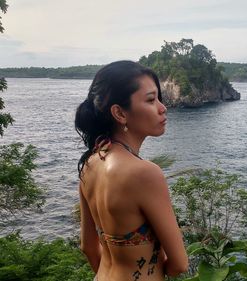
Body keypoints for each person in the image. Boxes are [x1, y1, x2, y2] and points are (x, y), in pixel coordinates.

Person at [75, 60, 188, 281]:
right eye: (150, 100)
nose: (162, 107)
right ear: (120, 113)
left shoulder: (90, 164)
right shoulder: (144, 173)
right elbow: (180, 264)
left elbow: (88, 247)